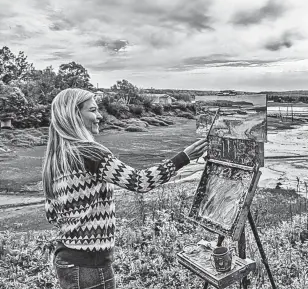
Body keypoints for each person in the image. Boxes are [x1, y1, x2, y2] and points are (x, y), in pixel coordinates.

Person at [42, 88, 208, 289]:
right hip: (90, 265)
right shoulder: (90, 153)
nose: (100, 116)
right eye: (93, 110)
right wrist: (185, 157)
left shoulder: (56, 158)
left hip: (66, 259)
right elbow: (140, 181)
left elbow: (52, 214)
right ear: (75, 115)